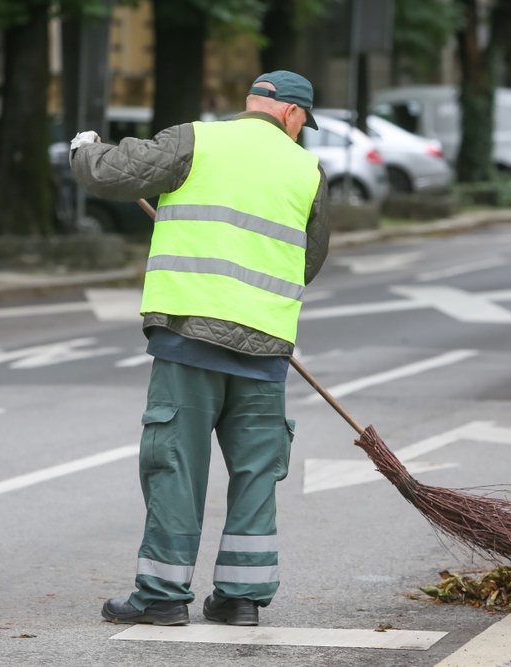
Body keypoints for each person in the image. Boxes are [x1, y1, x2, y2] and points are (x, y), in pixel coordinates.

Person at [69, 70, 330, 627]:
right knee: (257, 472)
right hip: (265, 350)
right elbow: (308, 259)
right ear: (291, 113)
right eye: (304, 122)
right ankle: (240, 598)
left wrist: (84, 149)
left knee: (175, 466)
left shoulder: (196, 140)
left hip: (190, 340)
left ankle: (162, 596)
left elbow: (114, 172)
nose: (301, 131)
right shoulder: (307, 171)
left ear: (253, 103)